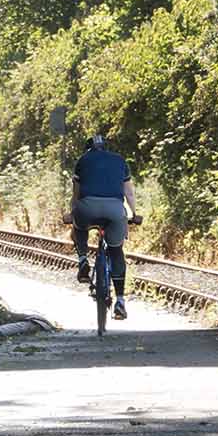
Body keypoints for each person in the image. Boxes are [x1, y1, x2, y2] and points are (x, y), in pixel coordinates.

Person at [68, 133, 141, 319]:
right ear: (105, 147)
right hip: (115, 210)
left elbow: (76, 195)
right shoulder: (119, 160)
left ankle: (83, 258)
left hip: (87, 207)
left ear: (88, 148)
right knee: (116, 251)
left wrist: (71, 213)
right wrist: (134, 213)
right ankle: (121, 301)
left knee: (79, 225)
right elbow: (129, 193)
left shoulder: (83, 160)